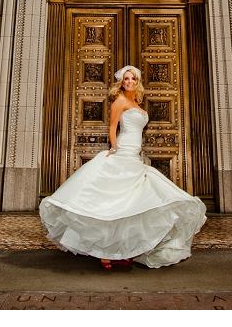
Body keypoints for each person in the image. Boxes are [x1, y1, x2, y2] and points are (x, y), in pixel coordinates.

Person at [39, 65, 207, 269]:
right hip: (123, 152)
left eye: (133, 79)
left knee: (130, 204)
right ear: (122, 82)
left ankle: (124, 249)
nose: (129, 82)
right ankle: (105, 253)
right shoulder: (119, 100)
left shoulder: (136, 102)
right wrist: (115, 148)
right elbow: (112, 127)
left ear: (137, 82)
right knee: (114, 202)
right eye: (126, 79)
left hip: (135, 155)